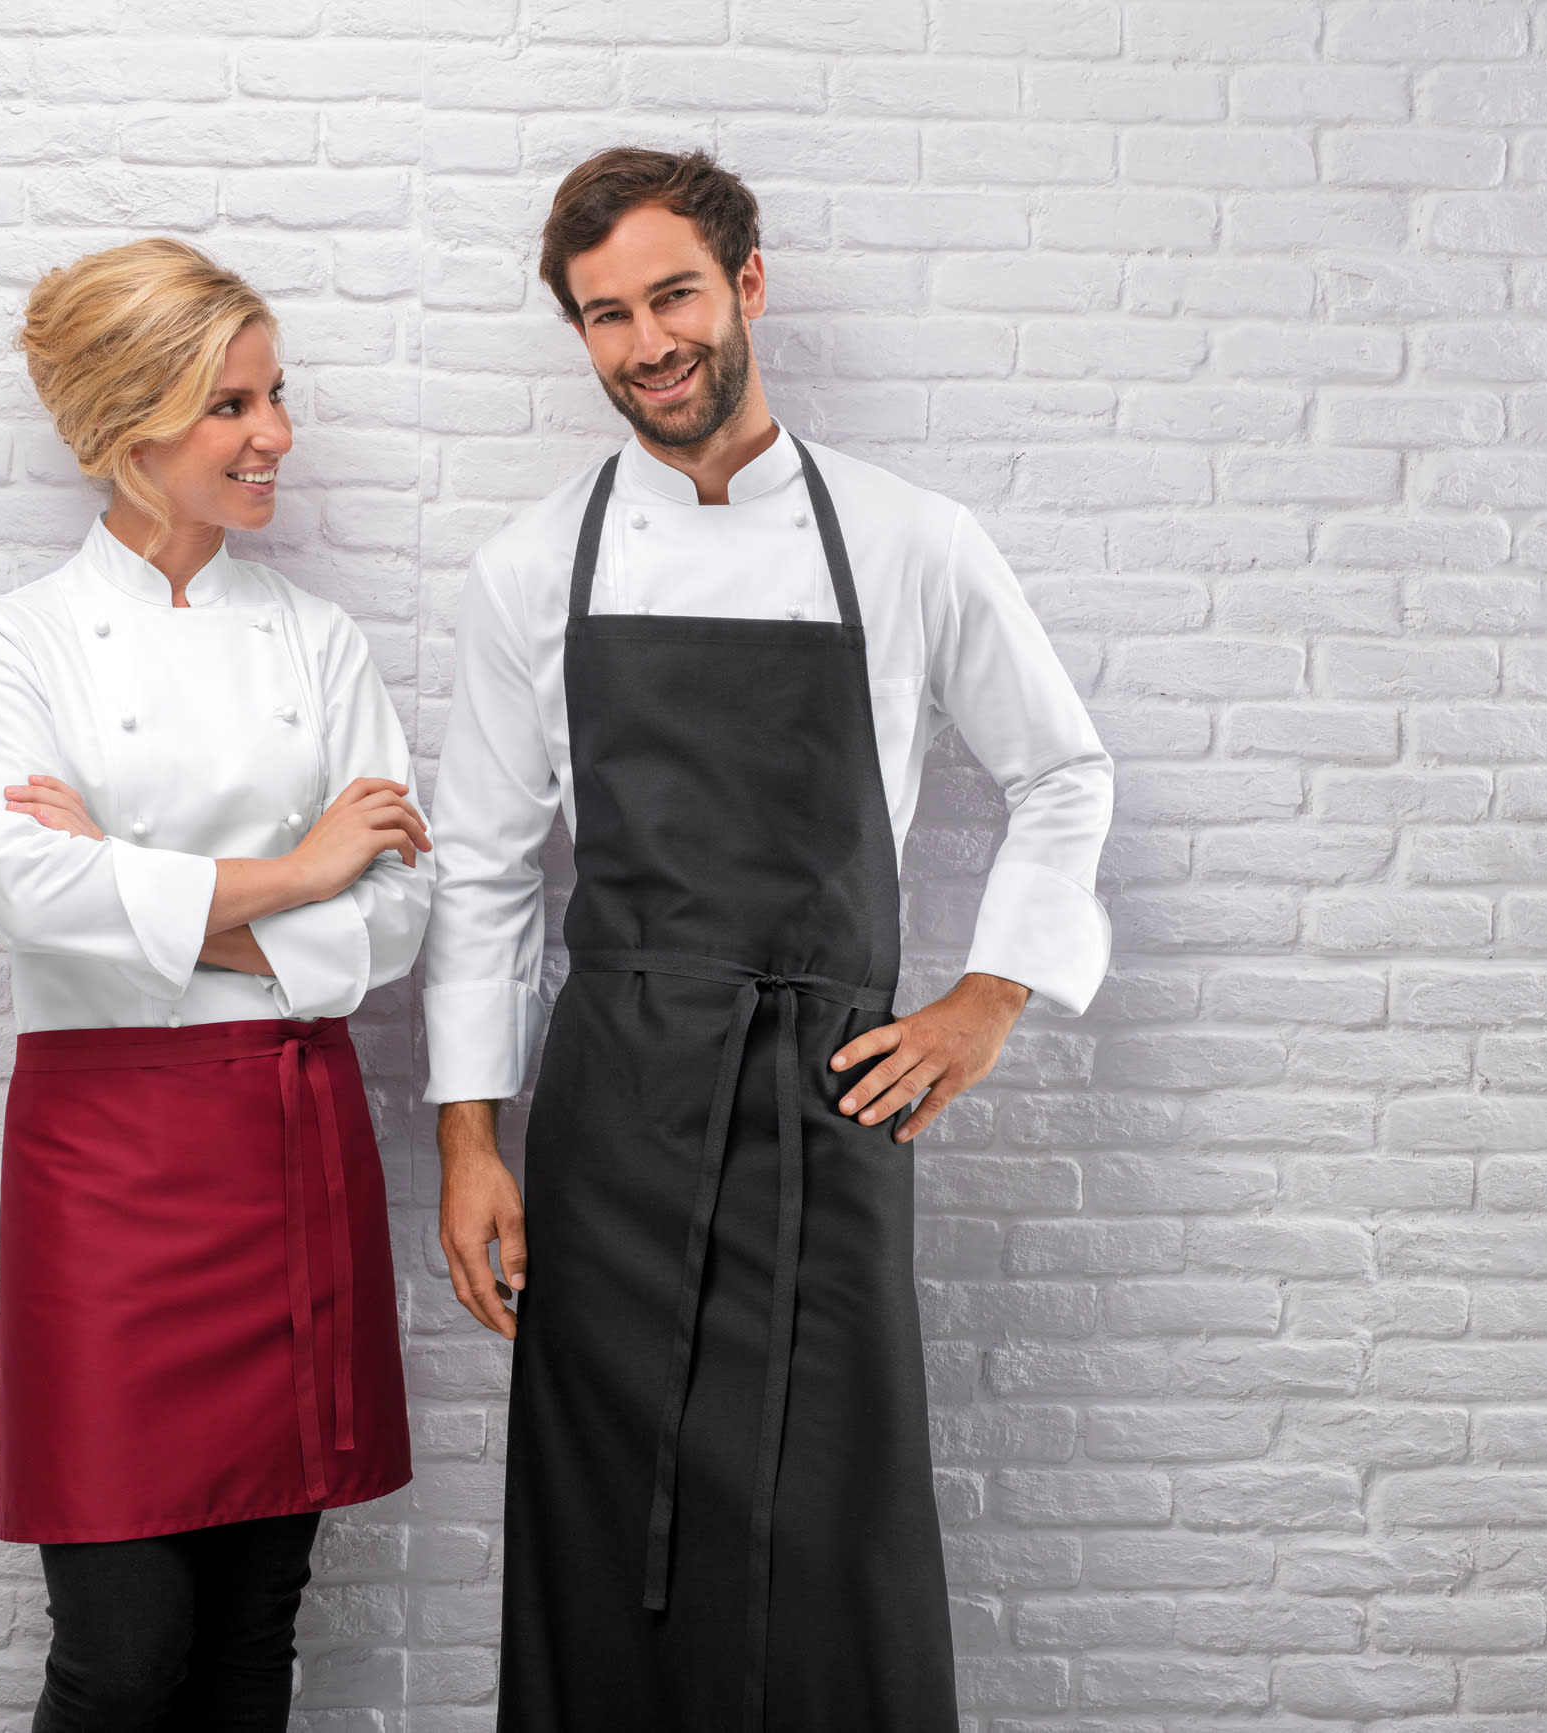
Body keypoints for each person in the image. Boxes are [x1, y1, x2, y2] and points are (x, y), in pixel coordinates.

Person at [424, 150, 1115, 1732]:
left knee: (832, 1546)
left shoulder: (909, 538)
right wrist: (472, 1138)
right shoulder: (534, 568)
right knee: (604, 1545)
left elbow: (1064, 773)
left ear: (746, 284)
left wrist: (989, 996)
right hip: (613, 1116)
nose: (646, 342)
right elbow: (483, 869)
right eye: (605, 316)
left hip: (828, 1098)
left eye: (671, 294)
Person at [0, 238, 426, 1732]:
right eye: (233, 403)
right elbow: (41, 893)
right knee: (119, 1648)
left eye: (276, 394)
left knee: (251, 1634)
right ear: (126, 423)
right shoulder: (15, 640)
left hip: (290, 1144)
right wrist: (295, 878)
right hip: (106, 1161)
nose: (277, 431)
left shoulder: (318, 637)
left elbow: (403, 915)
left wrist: (142, 889)